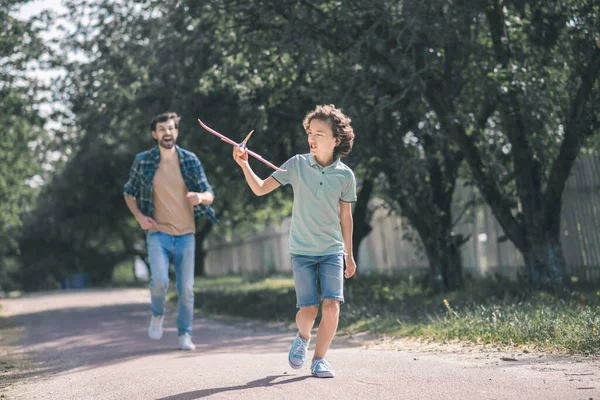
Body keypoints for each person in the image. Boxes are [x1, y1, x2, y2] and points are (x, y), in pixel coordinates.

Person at [233, 104, 357, 378]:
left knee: (332, 304)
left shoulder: (345, 175)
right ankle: (303, 337)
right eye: (310, 133)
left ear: (336, 140)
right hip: (301, 250)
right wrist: (244, 164)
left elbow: (346, 217)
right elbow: (260, 188)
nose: (312, 138)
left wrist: (349, 254)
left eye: (320, 134)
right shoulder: (297, 164)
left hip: (332, 250)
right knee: (309, 310)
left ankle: (319, 360)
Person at [123, 112, 217, 350]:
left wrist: (201, 198)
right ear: (155, 134)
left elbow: (209, 193)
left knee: (186, 289)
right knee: (159, 282)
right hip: (158, 233)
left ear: (176, 131)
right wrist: (140, 218)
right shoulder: (143, 161)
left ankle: (184, 334)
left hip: (186, 234)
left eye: (171, 128)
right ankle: (157, 314)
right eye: (162, 129)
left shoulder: (189, 160)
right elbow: (128, 192)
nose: (167, 133)